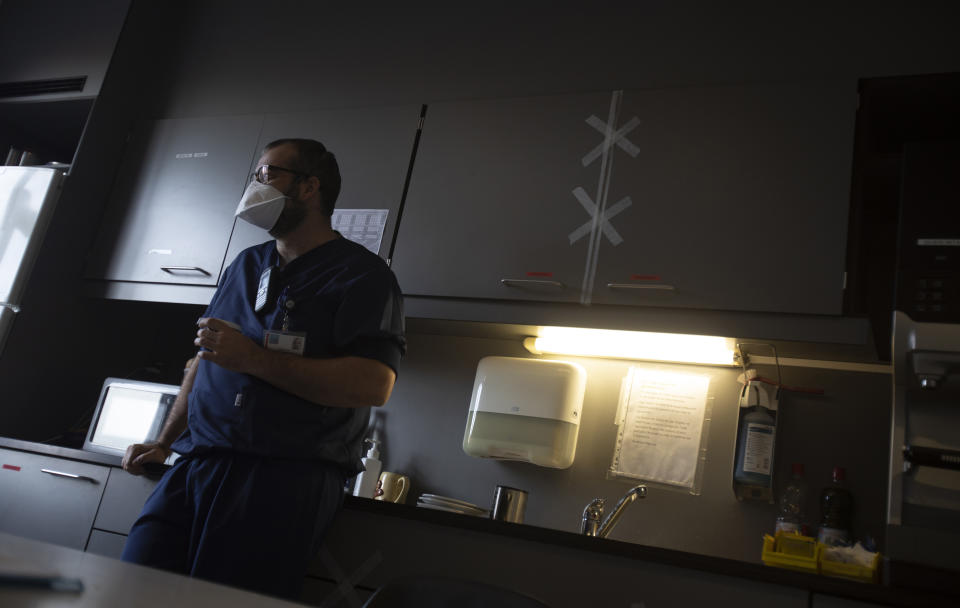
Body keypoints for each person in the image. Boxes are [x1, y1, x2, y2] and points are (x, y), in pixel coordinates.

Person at [120, 138, 405, 599]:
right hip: (197, 462)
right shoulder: (246, 264)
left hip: (281, 481)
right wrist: (164, 440)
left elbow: (374, 384)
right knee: (133, 590)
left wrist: (253, 359)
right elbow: (203, 358)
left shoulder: (364, 276)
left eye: (267, 175)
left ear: (309, 187)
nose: (256, 186)